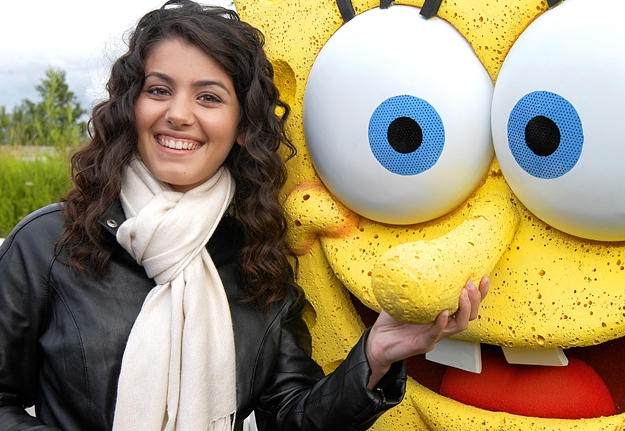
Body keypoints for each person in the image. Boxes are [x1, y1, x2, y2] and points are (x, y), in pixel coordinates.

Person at [0, 1, 489, 430]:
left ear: (240, 126)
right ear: (131, 106)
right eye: (158, 90)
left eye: (209, 97)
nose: (179, 114)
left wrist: (375, 357)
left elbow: (290, 417)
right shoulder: (49, 245)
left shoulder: (256, 260)